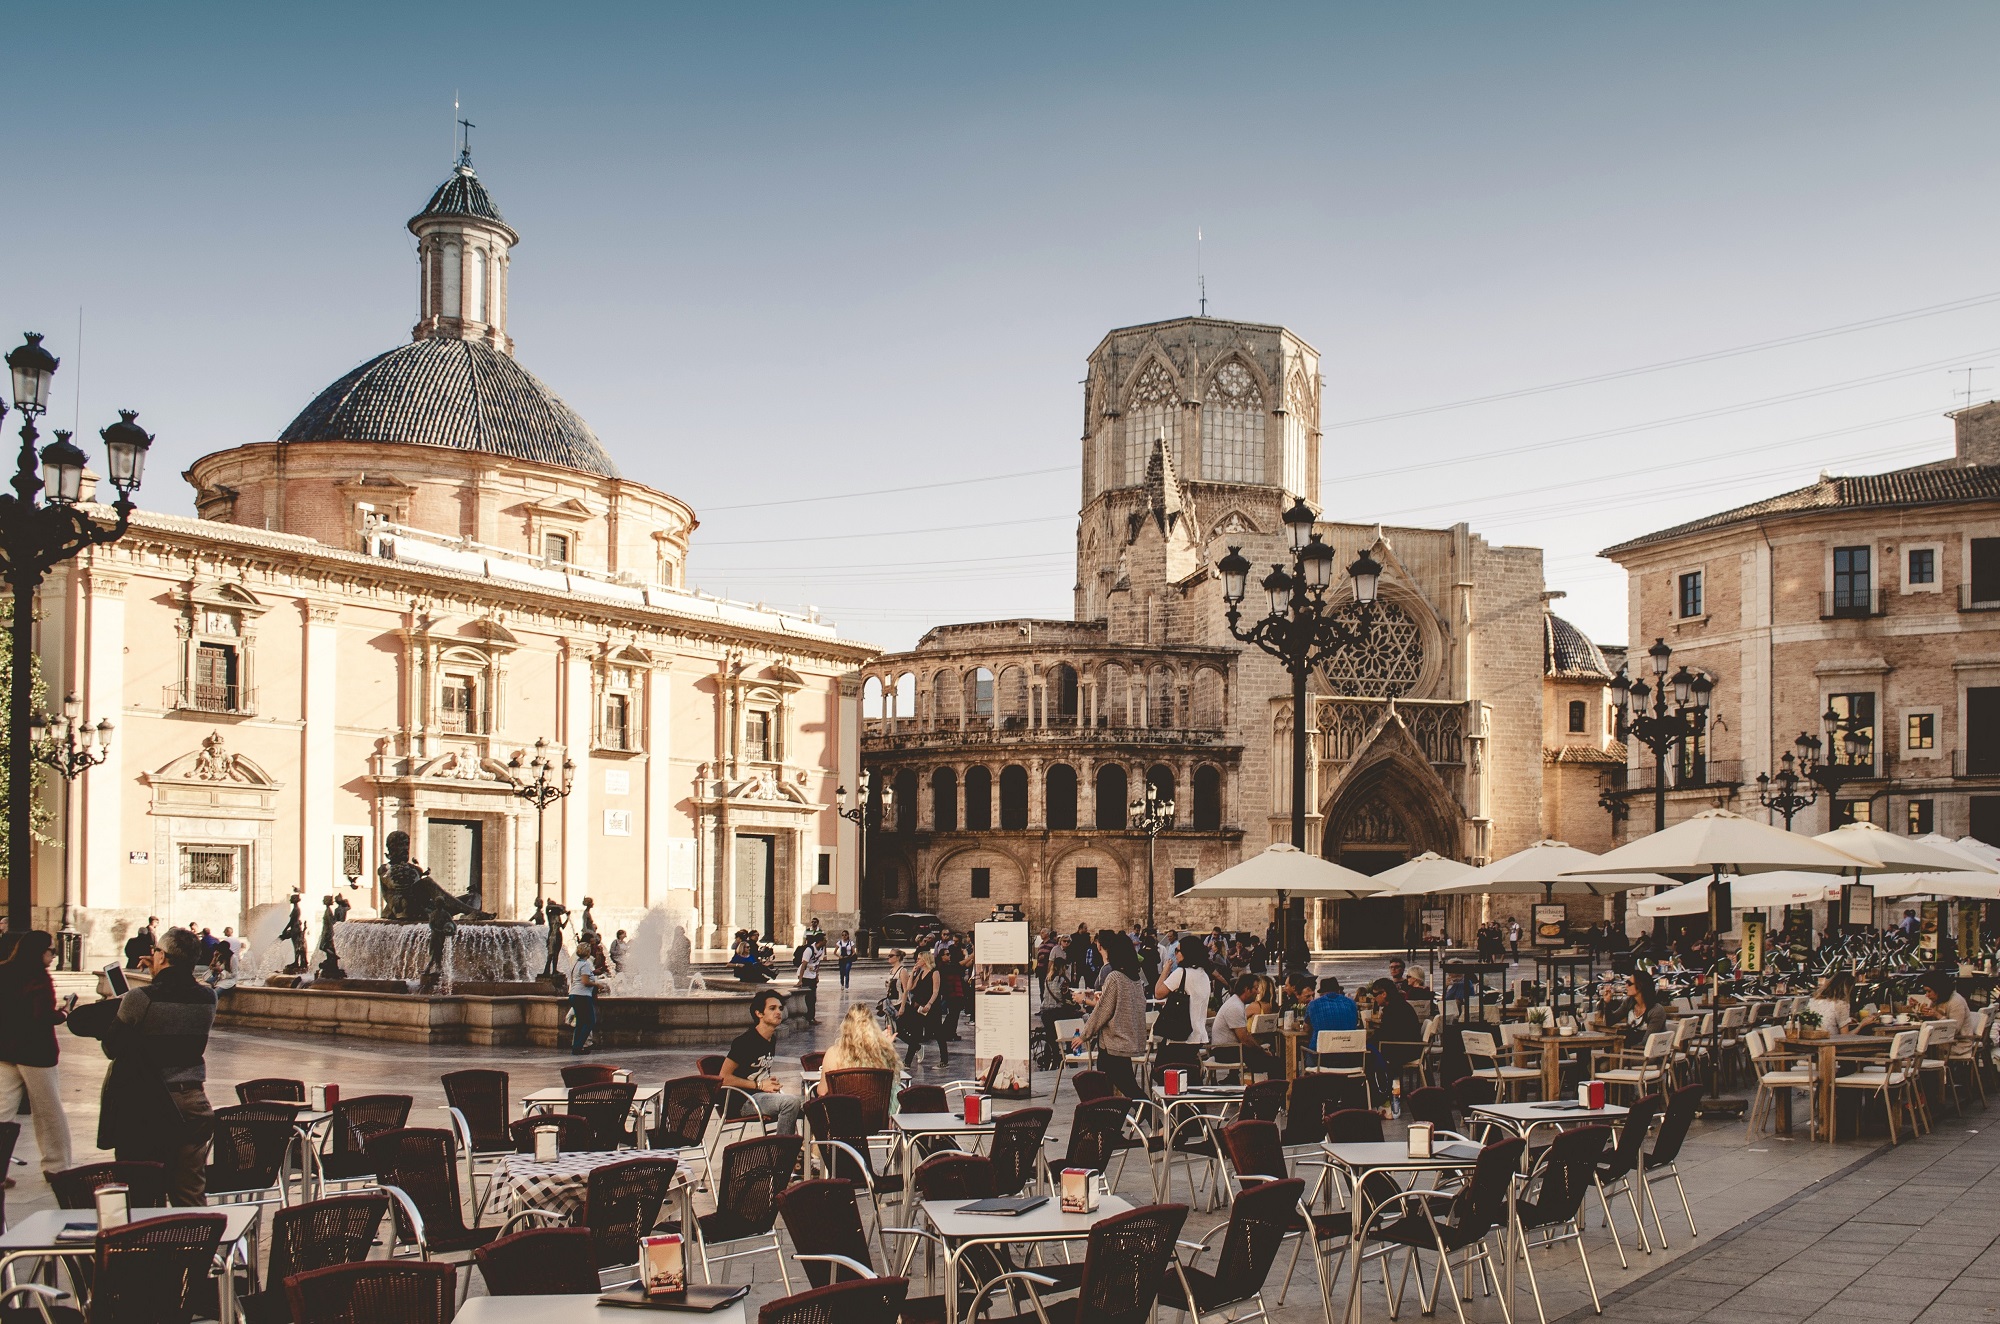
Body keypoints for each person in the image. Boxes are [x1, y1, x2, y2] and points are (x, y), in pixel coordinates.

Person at [107, 928, 216, 1205]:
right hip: (192, 1101)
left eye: (156, 951)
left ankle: (153, 1246)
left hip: (147, 1102)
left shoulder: (140, 998)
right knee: (190, 1191)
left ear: (163, 956)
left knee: (145, 1193)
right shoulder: (208, 998)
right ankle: (195, 1245)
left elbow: (112, 1046)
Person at [0, 931, 75, 1178]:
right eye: (51, 950)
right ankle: (57, 1166)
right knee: (48, 1111)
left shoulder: (4, 971)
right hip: (36, 1053)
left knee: (2, 1112)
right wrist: (63, 1013)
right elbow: (41, 1016)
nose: (54, 956)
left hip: (5, 1051)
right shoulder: (39, 978)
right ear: (38, 951)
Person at [1071, 930, 1147, 1097]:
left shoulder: (1115, 977)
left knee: (1121, 1087)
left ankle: (1148, 1114)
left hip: (1113, 1044)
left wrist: (1084, 1035)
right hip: (1125, 1041)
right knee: (1126, 1085)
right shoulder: (1134, 979)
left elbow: (1102, 1011)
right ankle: (1140, 1114)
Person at [720, 989, 803, 1135]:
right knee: (790, 1103)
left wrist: (768, 1081)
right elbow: (724, 1078)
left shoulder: (771, 1039)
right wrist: (759, 1085)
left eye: (780, 1008)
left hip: (760, 1097)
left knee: (813, 1106)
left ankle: (807, 1150)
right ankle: (783, 1151)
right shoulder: (745, 1042)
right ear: (759, 1013)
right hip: (743, 1101)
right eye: (772, 1008)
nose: (778, 1012)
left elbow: (757, 1070)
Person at [1365, 977, 1423, 1099]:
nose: (1374, 998)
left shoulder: (1393, 1009)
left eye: (1376, 994)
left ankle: (1378, 1092)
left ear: (1384, 994)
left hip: (1404, 1049)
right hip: (1409, 1046)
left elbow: (1387, 1034)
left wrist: (1368, 1040)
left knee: (1368, 1054)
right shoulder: (1399, 1005)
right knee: (1370, 1049)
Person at [1155, 936, 1213, 1046]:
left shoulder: (1181, 973)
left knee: (1164, 1063)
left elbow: (1158, 993)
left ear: (1187, 952)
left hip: (1180, 1036)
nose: (1175, 953)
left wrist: (1165, 970)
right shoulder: (1204, 975)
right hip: (1199, 1035)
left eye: (1178, 950)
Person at [821, 1005, 902, 1075]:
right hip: (875, 1093)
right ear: (872, 1027)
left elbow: (822, 1091)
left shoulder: (833, 1054)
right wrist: (886, 1047)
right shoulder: (879, 1055)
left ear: (846, 1027)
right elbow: (891, 1080)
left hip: (844, 1092)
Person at [902, 950, 947, 1068]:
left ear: (925, 959)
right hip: (919, 1008)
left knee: (938, 1033)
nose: (917, 961)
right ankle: (907, 1061)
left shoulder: (934, 972)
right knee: (916, 1033)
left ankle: (944, 1060)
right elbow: (909, 987)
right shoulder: (920, 973)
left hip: (931, 1007)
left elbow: (936, 991)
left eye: (919, 959)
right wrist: (913, 973)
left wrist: (930, 1004)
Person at [1208, 973, 1260, 1066]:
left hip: (1228, 1048)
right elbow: (1244, 1039)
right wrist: (1261, 1051)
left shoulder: (1237, 1003)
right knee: (1271, 1061)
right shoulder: (1235, 1007)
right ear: (1247, 989)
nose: (1258, 992)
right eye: (1256, 988)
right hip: (1224, 1052)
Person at [567, 940, 601, 1054]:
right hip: (582, 995)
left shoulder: (576, 964)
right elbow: (585, 981)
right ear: (587, 952)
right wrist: (597, 984)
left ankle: (576, 1047)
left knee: (581, 1022)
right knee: (590, 1021)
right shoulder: (585, 964)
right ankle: (578, 1046)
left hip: (574, 994)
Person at [798, 932, 823, 1026]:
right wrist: (800, 980)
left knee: (813, 998)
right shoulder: (809, 950)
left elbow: (818, 963)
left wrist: (817, 975)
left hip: (812, 976)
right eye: (824, 939)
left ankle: (811, 1017)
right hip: (805, 976)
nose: (826, 941)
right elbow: (803, 964)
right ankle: (808, 1018)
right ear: (820, 941)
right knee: (808, 998)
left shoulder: (821, 949)